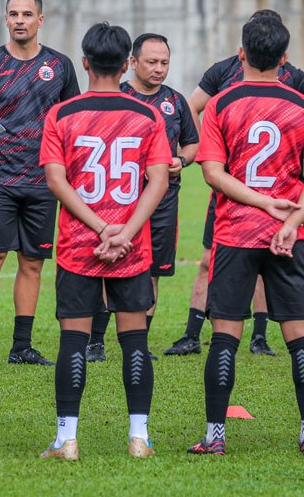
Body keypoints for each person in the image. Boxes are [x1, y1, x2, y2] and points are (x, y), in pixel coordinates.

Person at [187, 15, 304, 457]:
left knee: (225, 333)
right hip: (287, 235)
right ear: (284, 59)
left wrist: (257, 202)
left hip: (234, 233)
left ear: (242, 54)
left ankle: (215, 436)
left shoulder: (221, 104)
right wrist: (288, 219)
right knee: (300, 334)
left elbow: (212, 173)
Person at [39, 22, 171, 460]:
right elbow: (157, 181)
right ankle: (138, 438)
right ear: (125, 64)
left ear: (85, 62)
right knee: (134, 341)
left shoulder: (61, 114)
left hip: (81, 242)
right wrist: (125, 232)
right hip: (132, 247)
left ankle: (67, 440)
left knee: (74, 340)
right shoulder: (148, 115)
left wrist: (99, 229)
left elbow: (56, 181)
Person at [165, 9, 304, 358]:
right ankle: (193, 333)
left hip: (263, 195)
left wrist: (291, 140)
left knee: (259, 263)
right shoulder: (223, 73)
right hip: (239, 194)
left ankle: (258, 336)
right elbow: (192, 107)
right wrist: (207, 142)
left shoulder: (295, 80)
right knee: (212, 259)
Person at [0, 0, 79, 369]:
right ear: (6, 19)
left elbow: (72, 120)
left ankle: (21, 346)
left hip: (43, 181)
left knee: (33, 263)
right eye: (14, 14)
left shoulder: (60, 66)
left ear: (40, 20)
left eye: (27, 14)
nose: (20, 20)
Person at [87, 33, 198, 362]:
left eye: (164, 62)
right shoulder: (115, 96)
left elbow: (192, 144)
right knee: (110, 265)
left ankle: (138, 345)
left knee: (152, 271)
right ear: (132, 63)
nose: (159, 69)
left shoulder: (175, 102)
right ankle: (95, 341)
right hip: (118, 200)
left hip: (163, 201)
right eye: (151, 62)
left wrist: (182, 160)